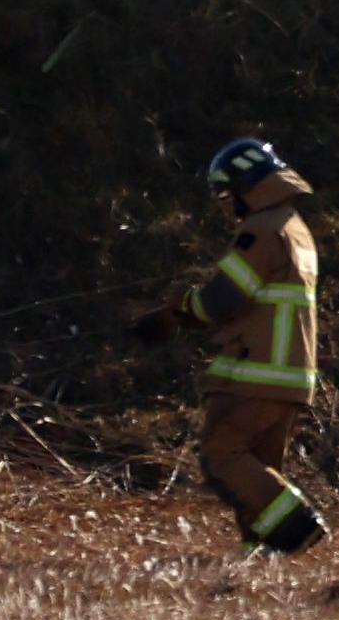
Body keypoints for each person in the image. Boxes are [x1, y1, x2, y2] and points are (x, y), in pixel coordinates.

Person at [137, 135, 326, 554]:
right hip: (291, 375)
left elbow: (221, 301)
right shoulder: (296, 228)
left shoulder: (260, 231)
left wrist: (178, 309)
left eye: (227, 194)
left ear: (247, 186)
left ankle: (297, 522)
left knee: (222, 453)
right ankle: (258, 552)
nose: (226, 205)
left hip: (256, 370)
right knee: (260, 467)